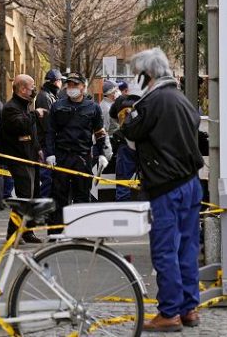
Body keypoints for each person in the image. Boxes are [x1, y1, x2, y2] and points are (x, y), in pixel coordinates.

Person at [120, 48, 203, 332]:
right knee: (188, 248)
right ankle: (189, 307)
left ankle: (169, 313)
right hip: (190, 182)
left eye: (136, 75)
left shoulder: (152, 102)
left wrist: (130, 113)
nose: (134, 80)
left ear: (147, 75)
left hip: (166, 186)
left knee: (166, 250)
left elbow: (130, 132)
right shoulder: (182, 99)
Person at [46, 72, 111, 234]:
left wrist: (102, 153)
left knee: (82, 195)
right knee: (58, 195)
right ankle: (56, 232)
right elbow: (50, 132)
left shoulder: (93, 107)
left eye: (75, 85)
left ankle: (80, 230)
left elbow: (100, 132)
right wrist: (50, 153)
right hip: (61, 156)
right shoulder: (57, 106)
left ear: (83, 87)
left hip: (82, 156)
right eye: (69, 85)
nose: (71, 88)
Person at [0, 74, 47, 243]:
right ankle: (12, 234)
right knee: (24, 197)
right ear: (22, 89)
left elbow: (30, 134)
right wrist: (36, 114)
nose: (34, 89)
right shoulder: (11, 108)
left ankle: (28, 231)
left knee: (34, 195)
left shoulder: (25, 106)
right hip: (18, 158)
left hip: (30, 157)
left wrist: (38, 149)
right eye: (32, 86)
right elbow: (22, 126)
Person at [35, 69, 64, 198]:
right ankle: (42, 206)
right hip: (46, 143)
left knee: (50, 178)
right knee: (47, 178)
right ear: (56, 81)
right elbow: (48, 124)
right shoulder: (45, 97)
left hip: (48, 142)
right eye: (60, 81)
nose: (62, 83)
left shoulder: (50, 95)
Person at [109, 93, 140, 202]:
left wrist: (121, 124)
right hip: (144, 143)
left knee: (123, 181)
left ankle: (123, 211)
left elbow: (112, 114)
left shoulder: (119, 101)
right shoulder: (142, 100)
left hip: (125, 143)